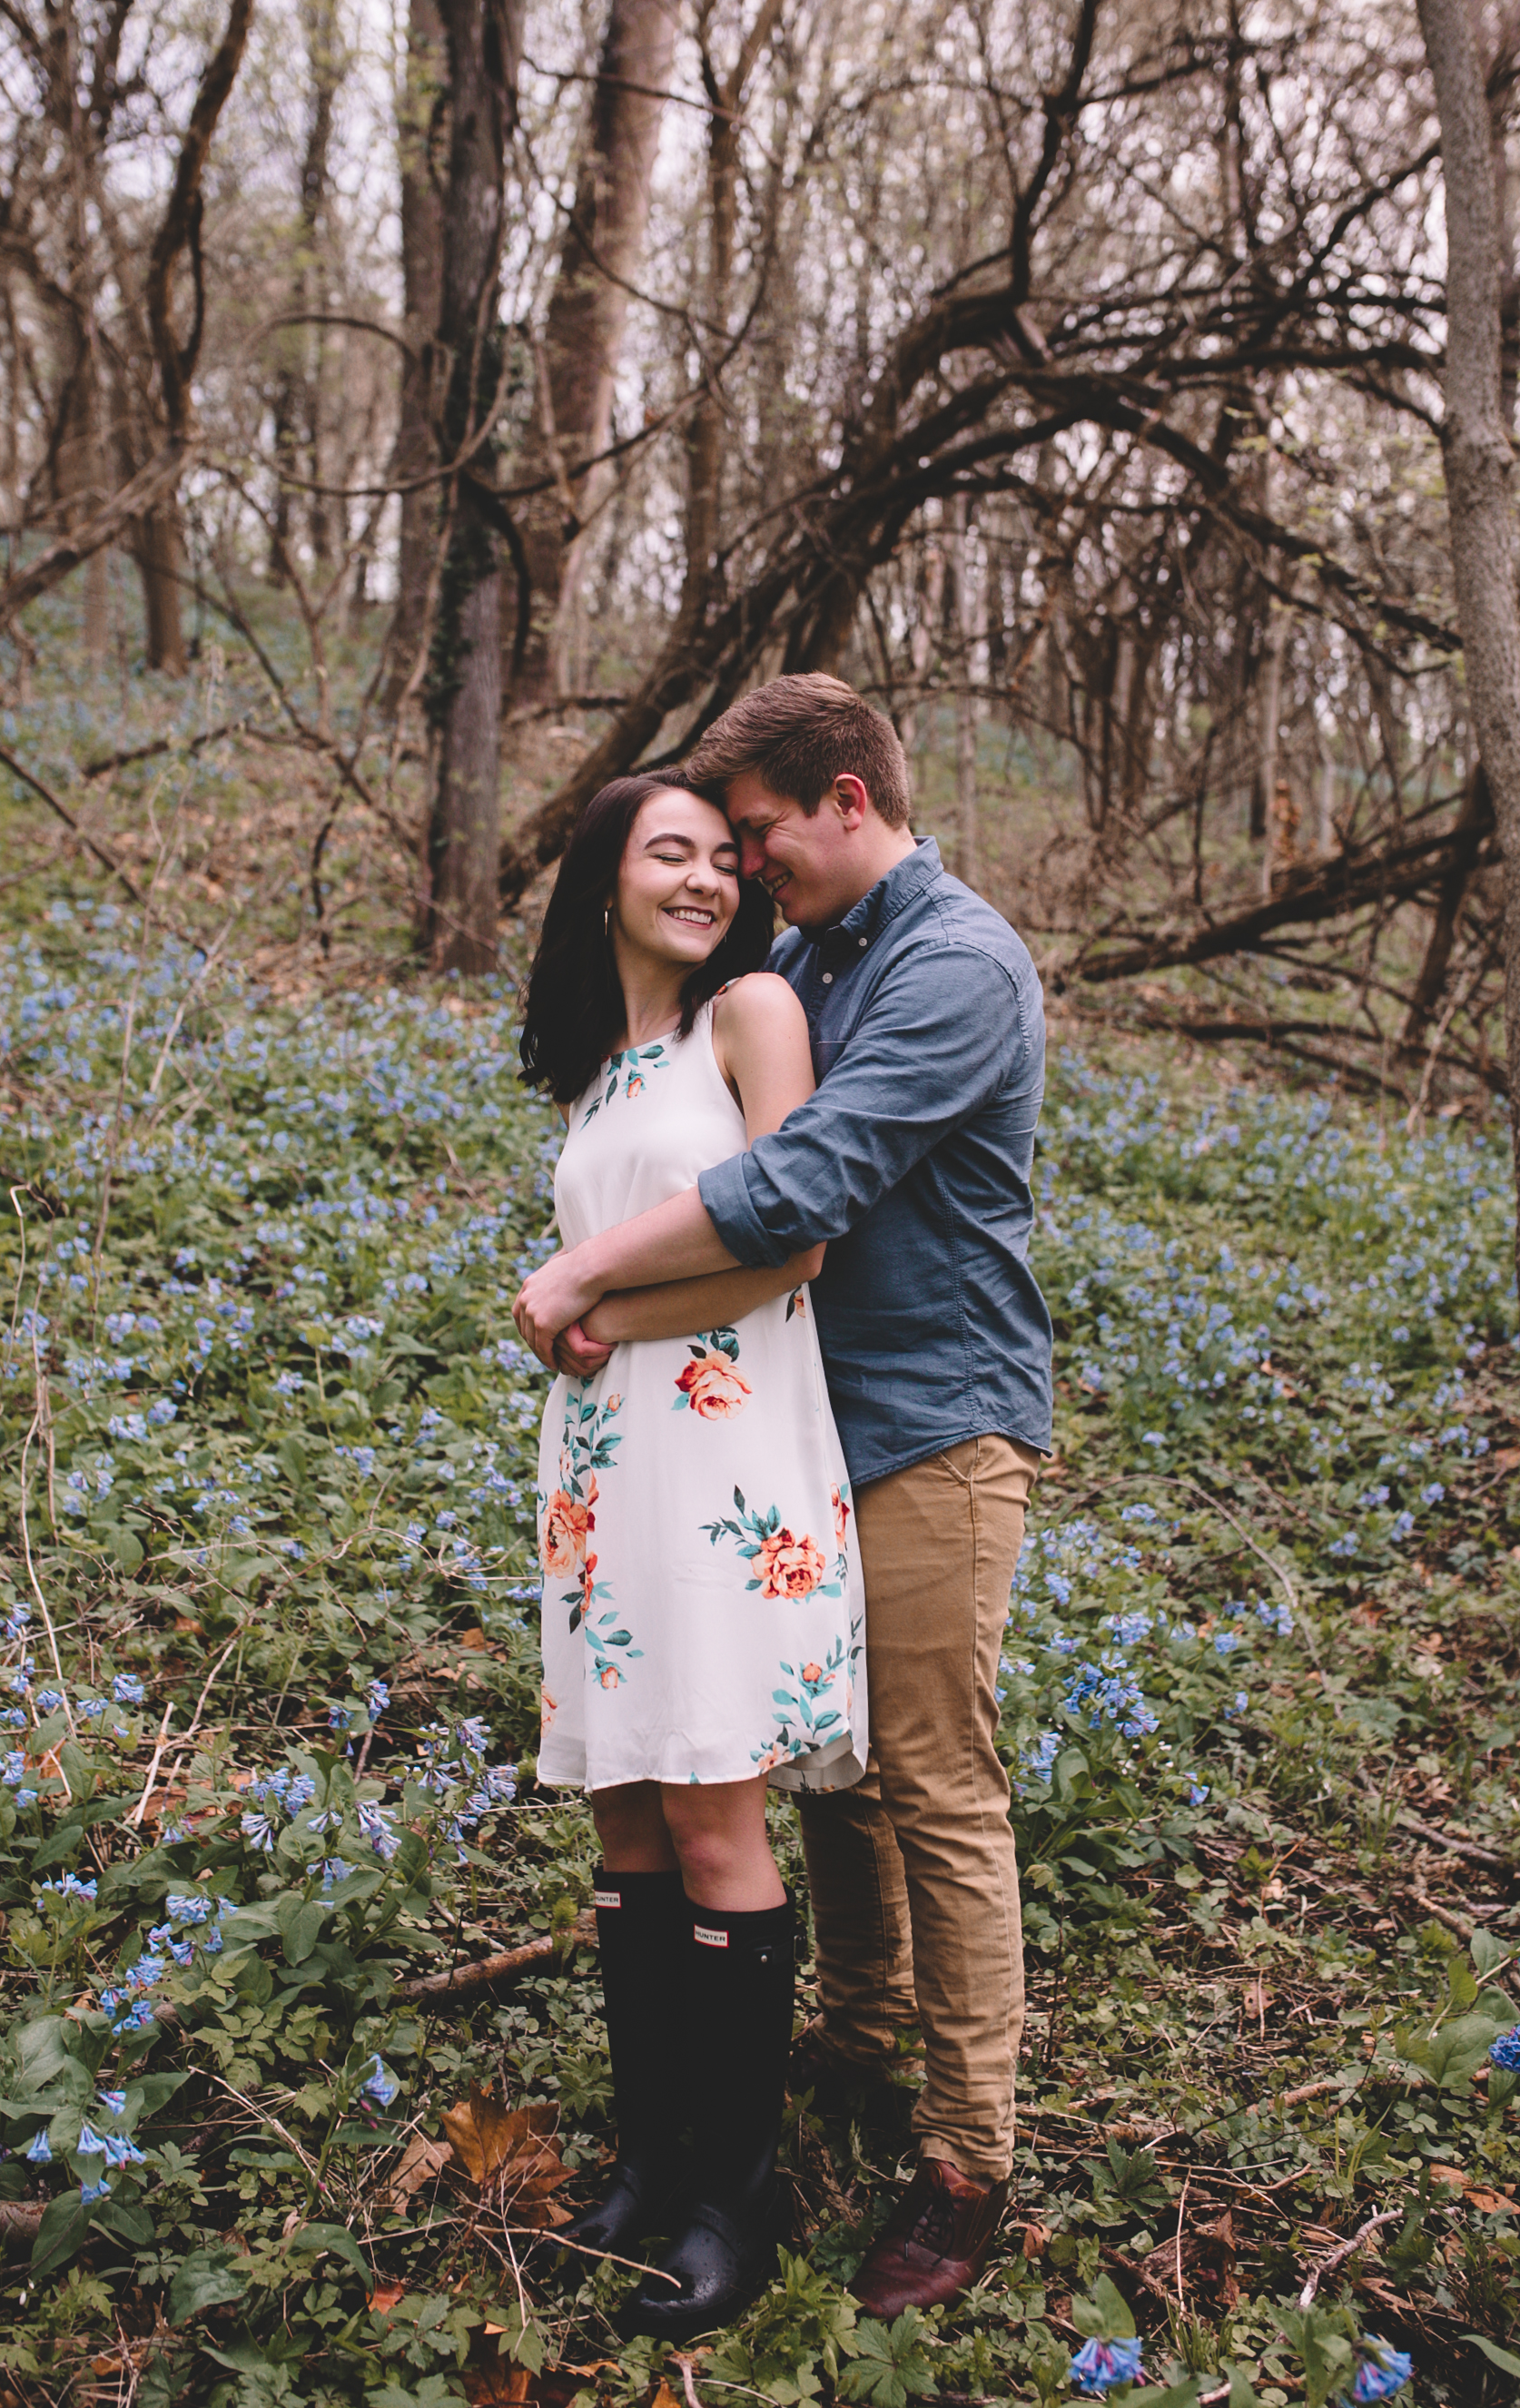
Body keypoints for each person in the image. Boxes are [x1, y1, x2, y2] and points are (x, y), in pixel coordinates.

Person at [516, 676, 1053, 2318]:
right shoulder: (806, 955)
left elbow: (807, 1185)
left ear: (841, 795)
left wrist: (587, 1275)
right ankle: (858, 2044)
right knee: (826, 1776)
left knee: (933, 1787)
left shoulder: (953, 961)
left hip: (933, 1421)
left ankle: (965, 2165)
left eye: (754, 836)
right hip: (807, 1420)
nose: (742, 871)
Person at [518, 773, 869, 2339]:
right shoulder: (599, 1066)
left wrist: (591, 1318)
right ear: (604, 879)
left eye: (726, 857)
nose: (712, 879)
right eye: (673, 853)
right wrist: (581, 1338)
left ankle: (737, 2195)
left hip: (722, 1451)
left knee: (718, 1820)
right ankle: (648, 2161)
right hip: (603, 1472)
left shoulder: (751, 1018)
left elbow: (792, 1240)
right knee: (629, 1830)